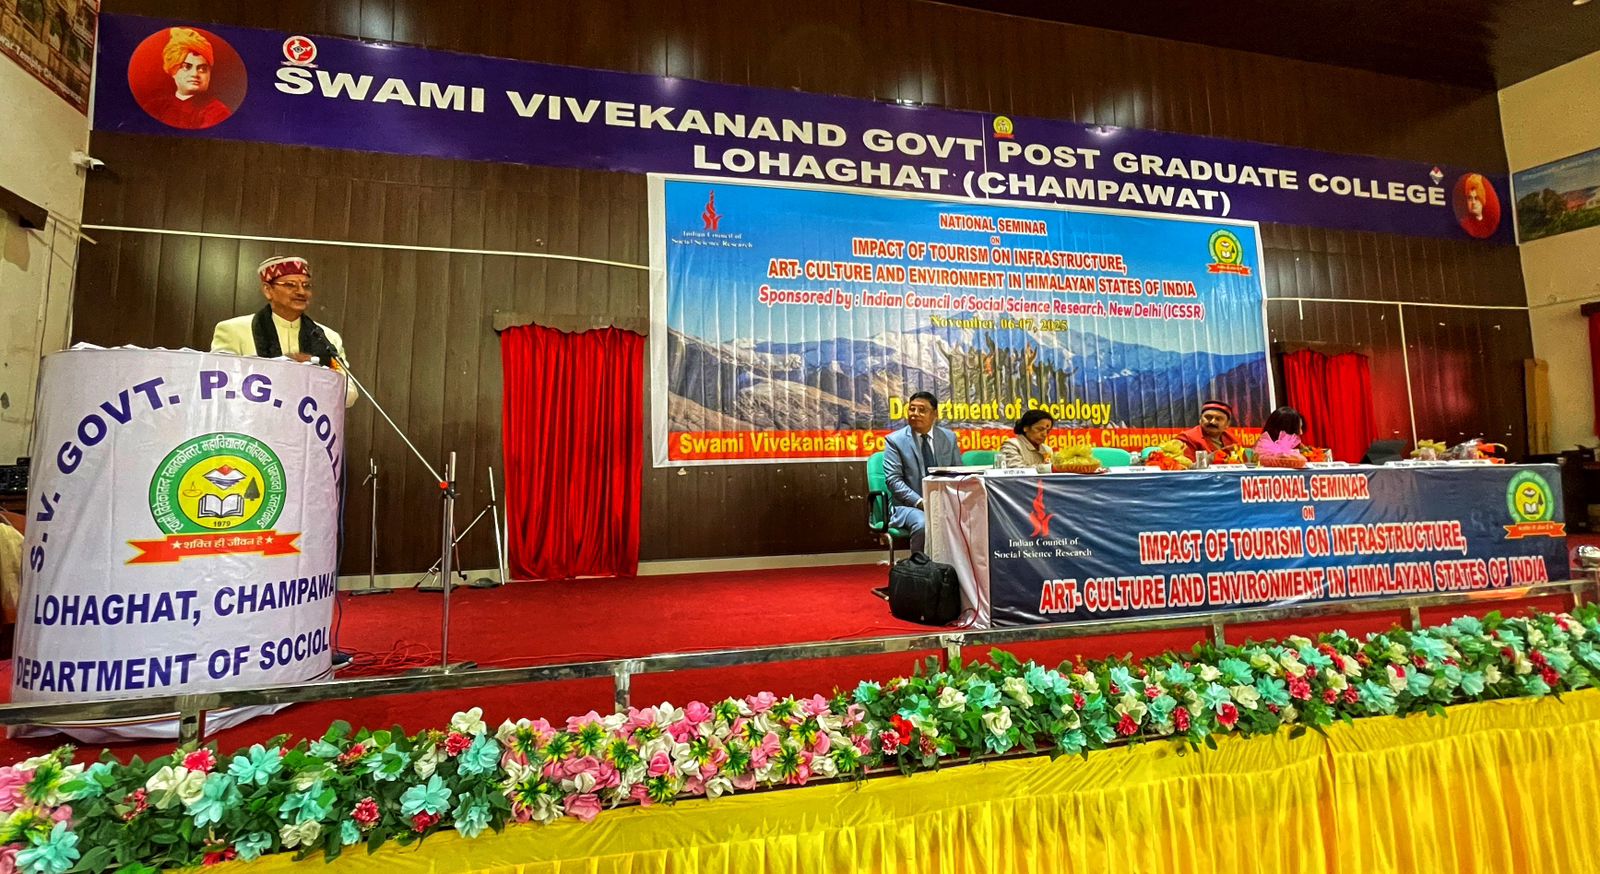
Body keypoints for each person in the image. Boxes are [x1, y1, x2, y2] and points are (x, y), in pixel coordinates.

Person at [211, 256, 358, 407]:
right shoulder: (233, 331)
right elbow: (218, 386)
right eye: (290, 285)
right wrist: (282, 369)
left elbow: (350, 395)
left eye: (306, 286)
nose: (301, 292)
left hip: (307, 419)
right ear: (268, 290)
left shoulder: (326, 337)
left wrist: (317, 373)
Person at [882, 391, 961, 551]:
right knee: (924, 524)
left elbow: (958, 473)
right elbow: (893, 480)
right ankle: (919, 565)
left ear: (935, 414)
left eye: (922, 410)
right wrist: (920, 502)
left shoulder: (948, 438)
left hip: (944, 503)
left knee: (972, 519)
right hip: (908, 506)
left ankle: (957, 565)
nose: (915, 413)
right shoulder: (895, 441)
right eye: (912, 409)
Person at [144, 27, 232, 130]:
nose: (195, 74)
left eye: (202, 69)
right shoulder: (155, 107)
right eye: (186, 67)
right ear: (173, 70)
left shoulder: (217, 113)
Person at [1173, 399, 1240, 462]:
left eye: (1218, 419)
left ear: (1227, 424)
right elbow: (1188, 467)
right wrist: (1216, 455)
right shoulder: (1186, 438)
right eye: (1208, 417)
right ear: (1200, 419)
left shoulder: (1232, 439)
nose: (1212, 422)